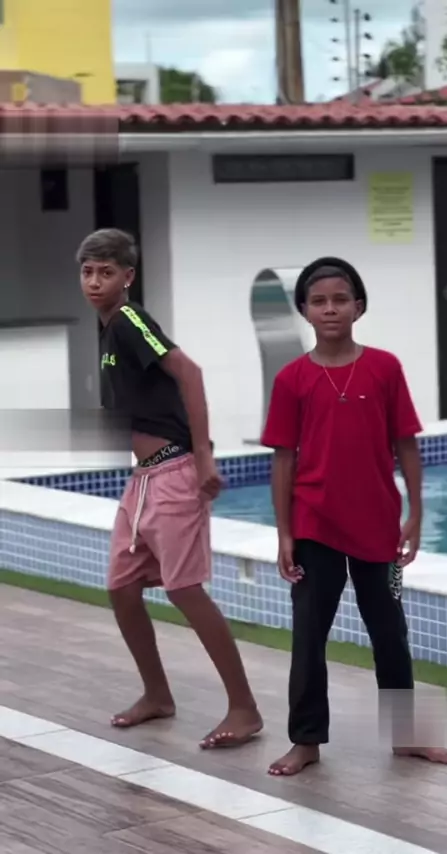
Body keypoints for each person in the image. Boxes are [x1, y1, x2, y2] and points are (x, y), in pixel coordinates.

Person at [261, 256, 447, 777]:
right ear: (304, 310)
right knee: (309, 635)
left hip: (378, 526)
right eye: (319, 301)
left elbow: (406, 443)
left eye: (340, 299)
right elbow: (283, 459)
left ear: (359, 306)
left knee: (391, 631)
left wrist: (416, 512)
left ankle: (407, 736)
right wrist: (284, 532)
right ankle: (305, 740)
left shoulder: (385, 368)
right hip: (314, 525)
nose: (330, 309)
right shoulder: (291, 379)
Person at [77, 228, 262, 748]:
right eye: (88, 272)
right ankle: (157, 695)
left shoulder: (129, 320)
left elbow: (190, 372)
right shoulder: (108, 329)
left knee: (184, 589)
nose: (95, 282)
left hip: (175, 471)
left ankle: (245, 709)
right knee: (121, 587)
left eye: (106, 272)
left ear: (128, 276)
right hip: (143, 480)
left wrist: (203, 455)